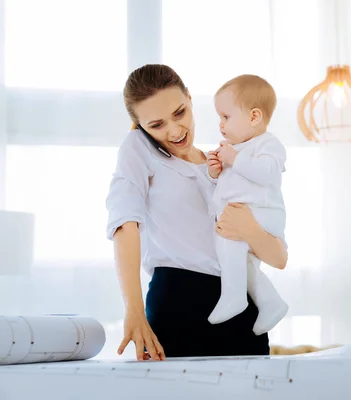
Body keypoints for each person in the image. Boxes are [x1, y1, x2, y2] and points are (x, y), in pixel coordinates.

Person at [105, 64, 288, 361]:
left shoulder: (225, 164)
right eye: (156, 125)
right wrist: (134, 312)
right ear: (140, 127)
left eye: (180, 113)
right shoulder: (138, 148)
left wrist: (250, 230)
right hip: (180, 303)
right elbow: (125, 222)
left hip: (243, 308)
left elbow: (279, 258)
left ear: (190, 98)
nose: (175, 131)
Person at [205, 75, 289, 336]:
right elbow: (233, 184)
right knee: (244, 264)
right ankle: (270, 302)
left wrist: (235, 158)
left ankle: (233, 296)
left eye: (226, 117)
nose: (220, 124)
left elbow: (269, 173)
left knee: (228, 244)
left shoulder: (268, 144)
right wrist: (215, 172)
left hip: (263, 214)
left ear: (254, 117)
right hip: (246, 215)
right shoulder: (237, 148)